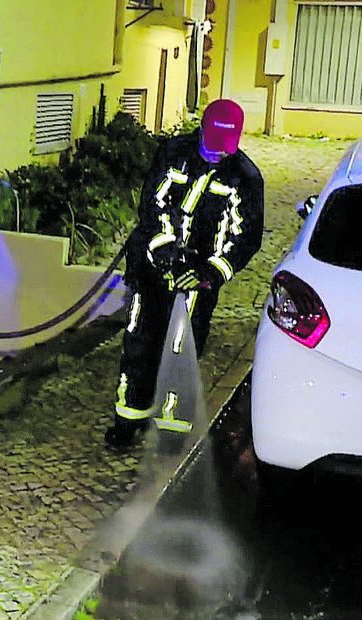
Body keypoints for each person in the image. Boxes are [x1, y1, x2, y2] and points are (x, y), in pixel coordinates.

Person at [105, 99, 264, 449]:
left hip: (198, 282)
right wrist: (164, 252)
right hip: (151, 269)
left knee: (183, 348)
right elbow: (153, 205)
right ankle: (129, 418)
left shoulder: (246, 178)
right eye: (212, 146)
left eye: (225, 149)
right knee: (141, 341)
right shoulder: (174, 153)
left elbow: (244, 237)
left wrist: (209, 271)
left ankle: (171, 427)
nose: (217, 155)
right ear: (202, 131)